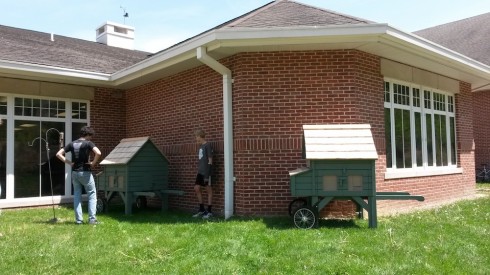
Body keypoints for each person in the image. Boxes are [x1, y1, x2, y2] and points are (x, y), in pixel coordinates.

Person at [56, 126, 101, 225]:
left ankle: (79, 220)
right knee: (92, 195)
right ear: (88, 135)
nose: (91, 138)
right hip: (85, 172)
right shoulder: (88, 143)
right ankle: (92, 219)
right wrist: (93, 163)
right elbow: (98, 152)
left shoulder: (72, 143)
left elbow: (58, 154)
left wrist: (69, 163)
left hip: (75, 173)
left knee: (77, 195)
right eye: (91, 136)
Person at [192, 130, 213, 219]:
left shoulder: (207, 145)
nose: (196, 138)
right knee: (196, 188)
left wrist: (207, 175)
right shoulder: (200, 147)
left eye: (196, 136)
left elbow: (210, 161)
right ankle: (202, 210)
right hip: (200, 172)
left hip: (206, 172)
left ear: (200, 136)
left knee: (209, 191)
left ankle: (209, 212)